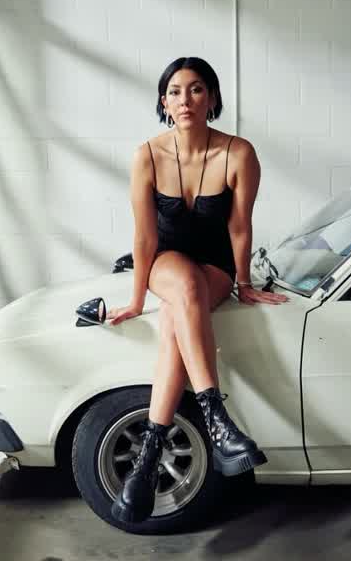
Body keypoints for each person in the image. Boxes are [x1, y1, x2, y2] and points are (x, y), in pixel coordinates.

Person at [106, 57, 289, 523]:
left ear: (212, 98)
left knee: (176, 315)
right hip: (166, 263)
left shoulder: (238, 153)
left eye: (196, 89)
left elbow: (239, 228)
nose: (185, 100)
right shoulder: (147, 155)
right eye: (175, 91)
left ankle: (147, 458)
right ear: (163, 102)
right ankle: (217, 418)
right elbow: (144, 237)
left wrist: (244, 282)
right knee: (181, 286)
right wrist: (136, 298)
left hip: (215, 267)